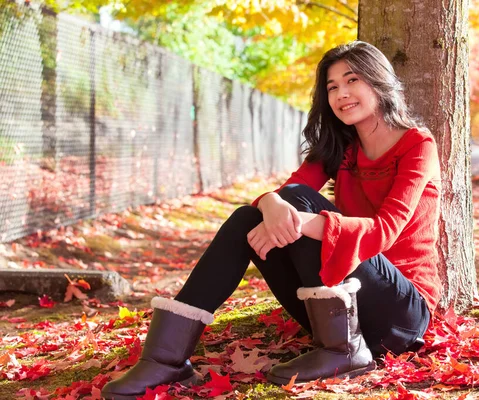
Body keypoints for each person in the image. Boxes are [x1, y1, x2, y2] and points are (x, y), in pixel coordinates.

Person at [101, 41, 442, 400]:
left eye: (351, 80)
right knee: (251, 217)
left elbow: (383, 233)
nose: (341, 94)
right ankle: (165, 358)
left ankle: (345, 352)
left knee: (294, 202)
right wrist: (268, 202)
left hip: (401, 316)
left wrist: (298, 217)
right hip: (339, 315)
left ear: (379, 81)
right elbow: (282, 196)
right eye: (332, 87)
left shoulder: (417, 145)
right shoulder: (338, 148)